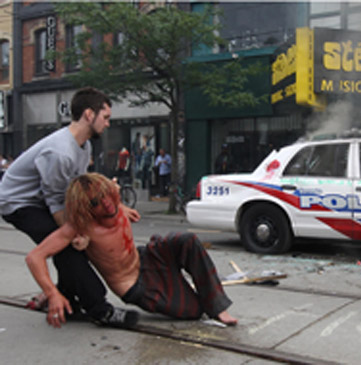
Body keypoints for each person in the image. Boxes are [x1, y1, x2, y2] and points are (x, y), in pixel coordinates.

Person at [0, 87, 140, 328]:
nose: (107, 124)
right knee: (69, 248)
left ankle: (70, 301)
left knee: (74, 244)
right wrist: (76, 235)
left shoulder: (83, 146)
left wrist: (119, 206)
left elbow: (80, 189)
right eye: (105, 117)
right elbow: (55, 201)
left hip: (42, 198)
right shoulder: (60, 152)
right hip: (19, 203)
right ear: (89, 114)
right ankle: (100, 310)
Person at [26, 172, 238, 328]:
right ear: (85, 208)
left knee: (187, 240)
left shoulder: (114, 200)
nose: (107, 204)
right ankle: (59, 293)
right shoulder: (80, 227)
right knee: (194, 311)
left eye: (106, 194)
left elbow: (111, 195)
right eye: (96, 203)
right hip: (136, 284)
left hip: (148, 256)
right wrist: (51, 294)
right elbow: (34, 257)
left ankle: (218, 306)